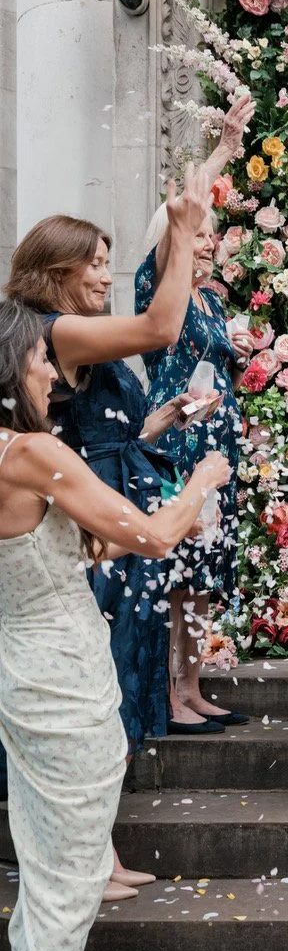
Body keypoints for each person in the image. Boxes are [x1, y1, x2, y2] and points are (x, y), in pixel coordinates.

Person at [4, 96, 253, 897]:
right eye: (97, 264)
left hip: (108, 505)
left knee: (108, 692)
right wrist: (182, 229)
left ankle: (94, 853)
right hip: (87, 523)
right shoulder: (54, 330)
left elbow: (115, 424)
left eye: (112, 260)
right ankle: (84, 859)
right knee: (91, 697)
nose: (107, 275)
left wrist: (163, 421)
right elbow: (159, 326)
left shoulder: (73, 334)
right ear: (58, 271)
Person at [0, 299, 231, 951]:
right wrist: (202, 478)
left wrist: (150, 440)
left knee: (47, 875)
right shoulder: (35, 454)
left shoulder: (16, 458)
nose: (51, 370)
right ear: (11, 366)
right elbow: (159, 537)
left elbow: (66, 550)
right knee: (66, 886)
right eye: (40, 358)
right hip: (63, 683)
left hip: (23, 669)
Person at [135, 177, 255, 731]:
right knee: (178, 569)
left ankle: (193, 684)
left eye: (213, 236)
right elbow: (173, 244)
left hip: (216, 445)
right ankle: (166, 692)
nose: (208, 243)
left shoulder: (211, 299)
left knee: (204, 575)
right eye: (197, 235)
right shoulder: (162, 287)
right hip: (177, 442)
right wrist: (220, 156)